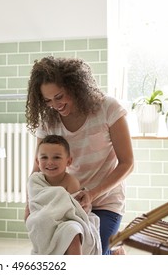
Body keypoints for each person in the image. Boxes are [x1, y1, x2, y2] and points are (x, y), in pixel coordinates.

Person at [24, 56, 134, 255]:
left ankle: (112, 253)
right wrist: (29, 204)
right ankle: (113, 252)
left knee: (93, 251)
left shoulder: (108, 108)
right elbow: (37, 168)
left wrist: (92, 194)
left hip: (106, 201)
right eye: (48, 100)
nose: (55, 105)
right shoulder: (49, 120)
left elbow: (128, 163)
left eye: (59, 96)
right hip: (68, 202)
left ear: (75, 87)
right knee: (64, 250)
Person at [26, 135, 101, 255]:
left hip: (66, 220)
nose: (50, 162)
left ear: (68, 161)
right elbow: (36, 205)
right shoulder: (34, 181)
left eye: (56, 157)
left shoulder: (71, 181)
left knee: (73, 230)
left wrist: (62, 198)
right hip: (45, 218)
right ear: (37, 161)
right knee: (40, 220)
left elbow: (73, 208)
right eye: (44, 157)